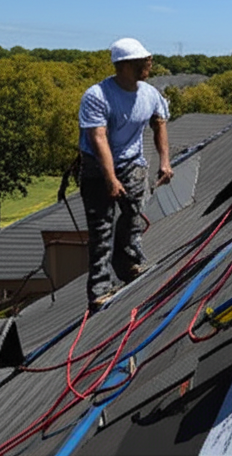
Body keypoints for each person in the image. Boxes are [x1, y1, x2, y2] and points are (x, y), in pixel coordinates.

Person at [78, 38, 172, 310]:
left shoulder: (149, 93)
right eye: (144, 61)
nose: (149, 65)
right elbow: (98, 138)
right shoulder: (97, 96)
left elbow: (159, 123)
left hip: (132, 163)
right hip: (98, 167)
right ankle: (99, 291)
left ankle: (127, 262)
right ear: (125, 65)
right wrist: (110, 178)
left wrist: (164, 161)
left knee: (133, 213)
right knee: (101, 228)